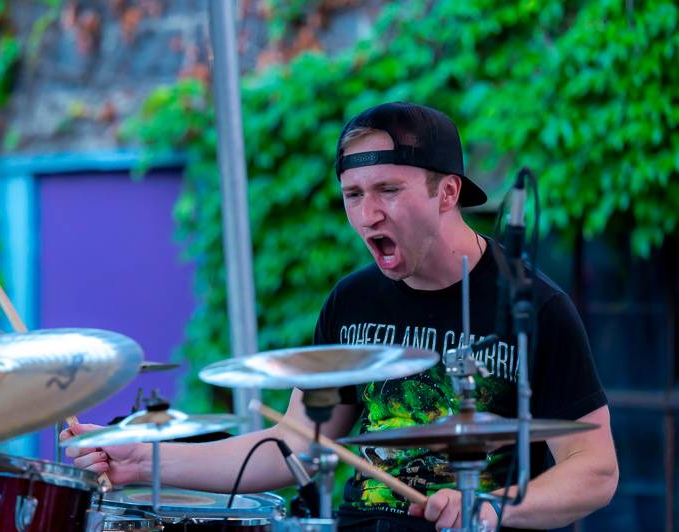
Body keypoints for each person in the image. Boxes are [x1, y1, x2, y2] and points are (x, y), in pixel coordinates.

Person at [63, 102, 618, 531]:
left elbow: (594, 468)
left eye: (388, 190)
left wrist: (495, 508)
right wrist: (146, 462)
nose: (367, 214)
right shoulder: (352, 302)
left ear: (447, 192)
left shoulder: (533, 307)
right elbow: (296, 443)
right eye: (353, 194)